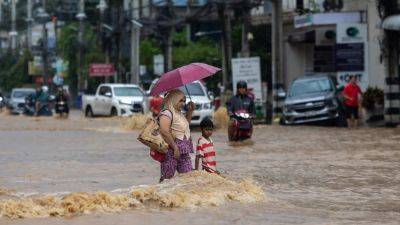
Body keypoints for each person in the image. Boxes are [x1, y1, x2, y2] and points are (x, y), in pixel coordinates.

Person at [158, 89, 195, 182]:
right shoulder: (167, 113)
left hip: (184, 151)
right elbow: (164, 131)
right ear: (173, 99)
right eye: (180, 101)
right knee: (166, 180)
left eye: (184, 101)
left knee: (189, 179)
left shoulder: (179, 113)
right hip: (171, 153)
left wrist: (190, 111)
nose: (183, 104)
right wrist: (175, 148)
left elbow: (184, 126)